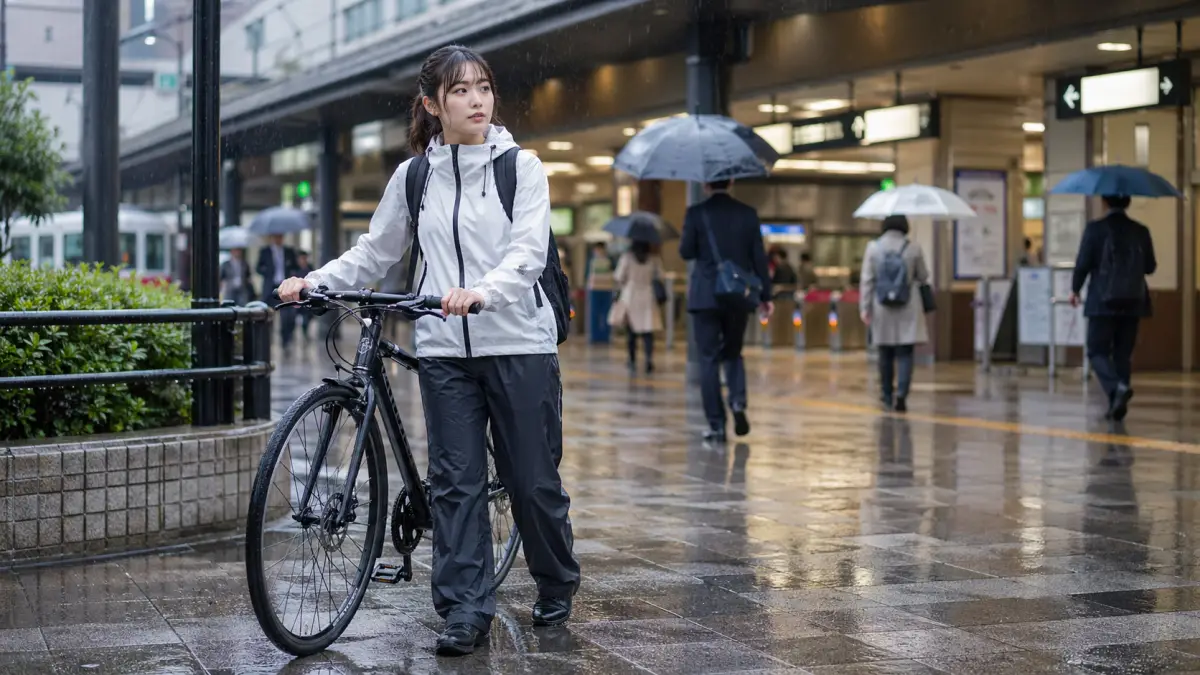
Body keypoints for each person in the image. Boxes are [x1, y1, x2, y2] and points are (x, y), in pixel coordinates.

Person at [276, 44, 579, 657]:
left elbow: (527, 253)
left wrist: (483, 293)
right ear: (433, 104)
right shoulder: (415, 176)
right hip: (444, 350)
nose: (476, 100)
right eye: (462, 90)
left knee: (531, 480)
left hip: (518, 341)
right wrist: (317, 281)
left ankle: (556, 579)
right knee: (455, 483)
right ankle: (465, 611)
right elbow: (376, 249)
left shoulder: (522, 167)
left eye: (484, 88)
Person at [680, 180, 772, 443]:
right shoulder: (747, 213)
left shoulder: (696, 212)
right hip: (737, 295)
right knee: (733, 352)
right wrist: (765, 295)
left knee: (708, 359)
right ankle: (738, 402)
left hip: (705, 296)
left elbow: (686, 251)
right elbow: (759, 258)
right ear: (731, 182)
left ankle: (716, 425)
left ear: (706, 185)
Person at [1069, 194, 1156, 421]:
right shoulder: (1141, 231)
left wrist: (1075, 289)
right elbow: (1150, 267)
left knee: (1096, 351)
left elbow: (1083, 263)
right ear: (1128, 202)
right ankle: (1117, 401)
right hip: (1133, 301)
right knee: (1122, 354)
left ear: (1105, 202)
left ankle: (1116, 389)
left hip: (1102, 301)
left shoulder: (1095, 229)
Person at [859, 215, 930, 413]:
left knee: (885, 353)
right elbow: (923, 276)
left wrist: (864, 309)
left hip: (881, 307)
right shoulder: (913, 248)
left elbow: (867, 281)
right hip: (907, 306)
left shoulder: (873, 248)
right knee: (905, 353)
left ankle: (887, 395)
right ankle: (902, 395)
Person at [610, 240, 663, 373]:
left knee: (632, 331)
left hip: (630, 295)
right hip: (647, 295)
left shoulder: (627, 258)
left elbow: (619, 276)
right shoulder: (654, 259)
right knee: (648, 330)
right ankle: (649, 360)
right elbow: (660, 275)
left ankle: (632, 360)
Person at [256, 234, 300, 347]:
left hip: (284, 286)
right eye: (276, 236)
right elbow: (258, 268)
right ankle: (267, 340)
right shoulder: (265, 251)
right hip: (270, 288)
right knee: (268, 315)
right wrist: (267, 272)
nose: (278, 239)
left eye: (280, 236)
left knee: (287, 316)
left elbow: (296, 267)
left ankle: (285, 340)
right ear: (272, 238)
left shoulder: (289, 251)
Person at [295, 250, 315, 340]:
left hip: (308, 298)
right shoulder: (295, 269)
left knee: (307, 318)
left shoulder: (310, 269)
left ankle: (305, 333)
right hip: (298, 298)